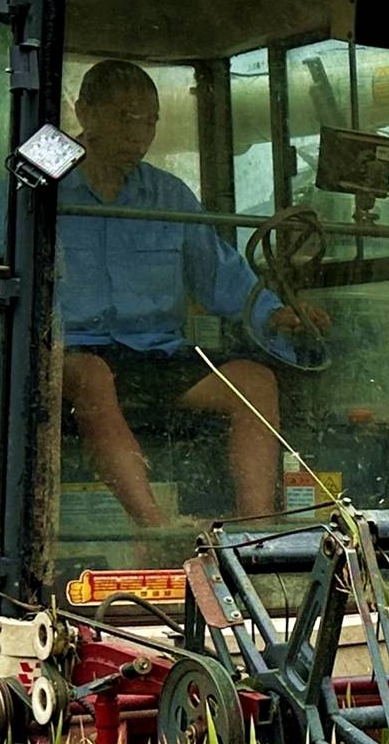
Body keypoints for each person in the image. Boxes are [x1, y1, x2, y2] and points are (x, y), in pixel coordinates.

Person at [54, 58, 326, 533]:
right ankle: (158, 529)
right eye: (125, 117)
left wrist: (276, 314)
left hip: (157, 355)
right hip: (68, 358)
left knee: (255, 382)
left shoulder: (170, 196)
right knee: (92, 375)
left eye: (150, 121)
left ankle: (256, 532)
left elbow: (221, 274)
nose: (140, 134)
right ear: (85, 112)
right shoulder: (45, 190)